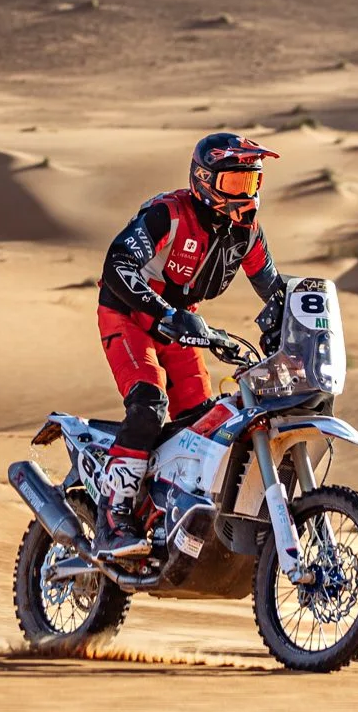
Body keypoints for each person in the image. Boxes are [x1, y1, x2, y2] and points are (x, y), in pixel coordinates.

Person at [91, 132, 284, 558]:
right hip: (129, 315)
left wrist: (303, 313)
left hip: (181, 326)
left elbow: (273, 287)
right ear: (203, 179)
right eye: (234, 183)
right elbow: (117, 263)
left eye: (251, 184)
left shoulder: (246, 233)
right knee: (148, 403)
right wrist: (163, 314)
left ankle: (164, 509)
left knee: (202, 423)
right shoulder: (169, 215)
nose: (245, 195)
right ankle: (112, 516)